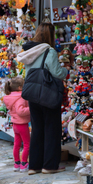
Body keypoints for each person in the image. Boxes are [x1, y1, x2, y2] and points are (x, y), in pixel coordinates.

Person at [17, 22, 69, 175]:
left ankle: (34, 166)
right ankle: (49, 165)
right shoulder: (49, 51)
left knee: (37, 129)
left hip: (33, 94)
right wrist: (66, 70)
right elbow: (57, 73)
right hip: (47, 93)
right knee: (52, 128)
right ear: (50, 35)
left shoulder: (29, 50)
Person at [2, 77, 31, 172]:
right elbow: (21, 111)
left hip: (15, 124)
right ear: (19, 87)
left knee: (17, 144)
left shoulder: (10, 97)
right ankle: (24, 164)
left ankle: (16, 163)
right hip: (22, 124)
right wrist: (31, 109)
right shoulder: (21, 97)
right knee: (27, 144)